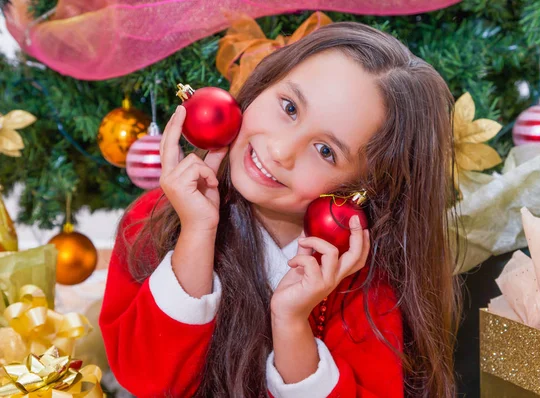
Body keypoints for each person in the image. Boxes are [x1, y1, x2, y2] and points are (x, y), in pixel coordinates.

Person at [99, 21, 460, 398]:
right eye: (289, 107)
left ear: (359, 190)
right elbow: (146, 379)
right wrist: (197, 234)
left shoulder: (360, 287)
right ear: (264, 82)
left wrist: (291, 323)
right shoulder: (156, 217)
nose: (280, 150)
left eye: (325, 151)